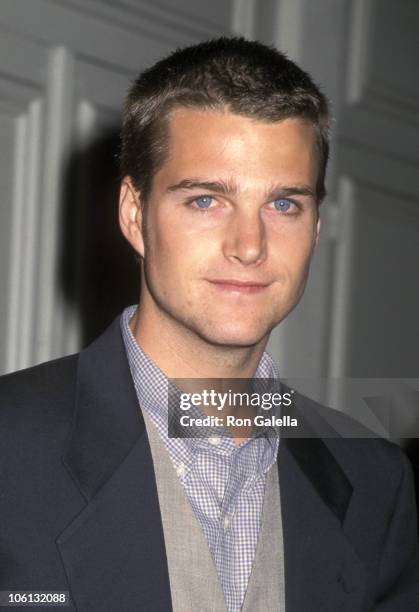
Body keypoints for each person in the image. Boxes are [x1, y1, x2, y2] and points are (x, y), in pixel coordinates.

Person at [0, 37, 418, 612]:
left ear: (317, 229)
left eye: (284, 205)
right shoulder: (11, 447)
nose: (250, 245)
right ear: (134, 214)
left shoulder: (375, 481)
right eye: (205, 201)